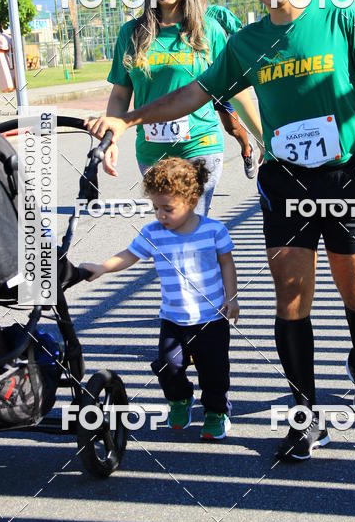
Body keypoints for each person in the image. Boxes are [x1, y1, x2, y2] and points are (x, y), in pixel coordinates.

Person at [86, 0, 355, 462]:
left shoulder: (341, 19)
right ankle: (304, 416)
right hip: (285, 181)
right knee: (291, 299)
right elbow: (195, 92)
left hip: (343, 177)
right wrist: (128, 120)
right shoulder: (247, 43)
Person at [81, 157, 238, 440]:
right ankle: (180, 400)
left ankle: (216, 411)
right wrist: (103, 267)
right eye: (155, 208)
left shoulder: (213, 231)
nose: (160, 215)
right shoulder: (153, 233)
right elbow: (130, 255)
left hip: (211, 318)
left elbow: (227, 263)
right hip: (173, 318)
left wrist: (232, 298)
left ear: (191, 201)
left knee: (214, 370)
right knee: (168, 364)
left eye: (168, 208)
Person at [102, 0, 262, 216]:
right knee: (171, 228)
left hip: (201, 145)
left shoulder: (208, 30)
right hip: (152, 154)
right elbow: (120, 95)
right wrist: (110, 139)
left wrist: (263, 140)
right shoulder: (131, 33)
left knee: (187, 224)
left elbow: (236, 90)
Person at [196, 0, 259, 178]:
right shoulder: (181, 19)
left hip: (222, 81)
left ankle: (247, 149)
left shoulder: (217, 14)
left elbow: (239, 33)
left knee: (232, 128)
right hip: (196, 84)